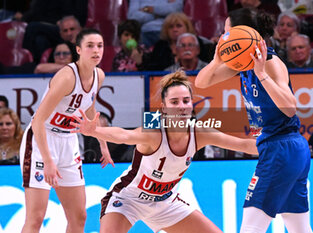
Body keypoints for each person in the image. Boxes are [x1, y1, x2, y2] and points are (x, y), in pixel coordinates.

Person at [71, 70, 258, 233]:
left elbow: (243, 145)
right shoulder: (154, 129)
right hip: (128, 199)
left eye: (186, 101)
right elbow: (124, 135)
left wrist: (278, 143)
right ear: (164, 107)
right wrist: (95, 131)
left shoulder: (199, 132)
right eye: (174, 102)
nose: (182, 106)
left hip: (165, 202)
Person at [195, 8, 313, 233]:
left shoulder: (269, 62)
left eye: (227, 31)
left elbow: (290, 108)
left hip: (281, 148)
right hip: (284, 150)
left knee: (251, 228)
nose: (223, 36)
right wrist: (216, 59)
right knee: (300, 229)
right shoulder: (241, 64)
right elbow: (202, 82)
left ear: (242, 33)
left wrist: (262, 75)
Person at [19, 28, 114, 233]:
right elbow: (38, 121)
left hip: (68, 141)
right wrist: (48, 160)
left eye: (100, 46)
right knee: (36, 218)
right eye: (90, 46)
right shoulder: (67, 77)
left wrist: (103, 144)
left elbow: (90, 110)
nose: (96, 50)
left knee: (79, 216)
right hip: (41, 140)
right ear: (78, 50)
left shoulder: (99, 75)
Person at [144, 12, 215, 71]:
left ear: (187, 27)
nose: (175, 29)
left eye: (178, 26)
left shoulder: (199, 43)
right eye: (171, 27)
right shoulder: (160, 47)